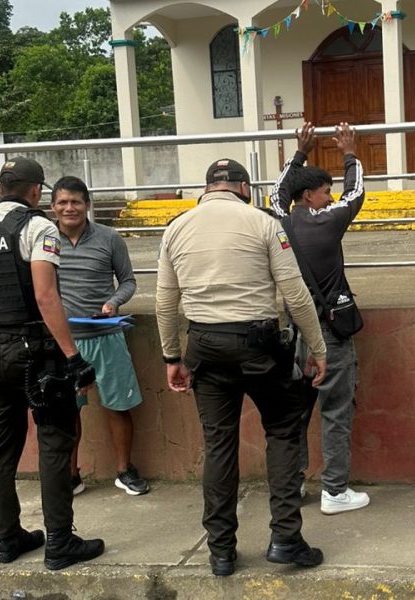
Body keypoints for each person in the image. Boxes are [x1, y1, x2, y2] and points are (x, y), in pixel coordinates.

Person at [156, 157, 330, 577]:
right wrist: (319, 348)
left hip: (203, 344)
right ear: (244, 188)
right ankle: (285, 539)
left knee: (218, 445)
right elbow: (295, 293)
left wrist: (171, 357)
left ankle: (221, 552)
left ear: (206, 188)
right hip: (259, 346)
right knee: (283, 431)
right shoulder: (263, 223)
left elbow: (165, 301)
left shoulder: (176, 228)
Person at [0, 157, 104, 570]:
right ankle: (60, 542)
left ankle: (7, 540)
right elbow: (45, 296)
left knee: (0, 446)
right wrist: (73, 357)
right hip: (37, 353)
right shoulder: (39, 227)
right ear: (37, 191)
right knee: (55, 441)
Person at [268, 122, 370, 515]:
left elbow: (277, 192)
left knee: (295, 412)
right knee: (336, 411)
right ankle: (335, 491)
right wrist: (350, 152)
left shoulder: (282, 220)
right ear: (309, 196)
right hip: (330, 334)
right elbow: (356, 193)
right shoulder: (329, 220)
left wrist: (299, 152)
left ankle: (293, 484)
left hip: (294, 332)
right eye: (326, 191)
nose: (331, 196)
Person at [50, 176, 149, 497]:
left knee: (118, 407)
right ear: (52, 207)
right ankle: (71, 476)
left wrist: (113, 302)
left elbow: (128, 281)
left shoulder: (109, 238)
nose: (69, 208)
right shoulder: (44, 240)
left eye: (76, 202)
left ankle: (124, 470)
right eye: (63, 202)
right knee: (67, 412)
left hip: (106, 335)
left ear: (87, 205)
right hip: (64, 342)